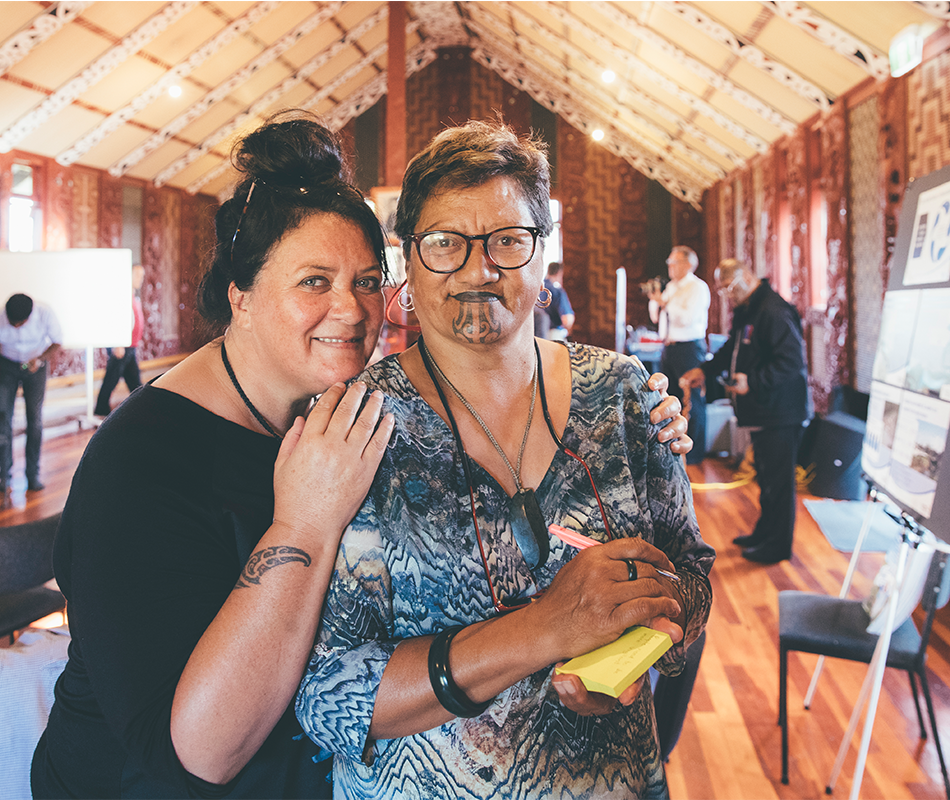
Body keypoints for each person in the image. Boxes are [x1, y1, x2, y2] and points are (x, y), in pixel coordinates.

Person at [31, 112, 691, 799]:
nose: (350, 310)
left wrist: (650, 413)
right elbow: (197, 757)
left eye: (367, 280)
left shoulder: (348, 414)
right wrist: (305, 524)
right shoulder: (140, 462)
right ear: (241, 295)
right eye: (314, 281)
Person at [296, 120, 714, 799]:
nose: (477, 268)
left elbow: (690, 574)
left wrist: (640, 643)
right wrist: (544, 631)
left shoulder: (623, 395)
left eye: (508, 241)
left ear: (544, 257)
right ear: (409, 261)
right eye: (444, 243)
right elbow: (328, 698)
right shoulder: (356, 425)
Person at [681, 258, 811, 564]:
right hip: (763, 412)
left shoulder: (773, 311)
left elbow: (792, 363)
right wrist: (705, 370)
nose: (727, 296)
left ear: (742, 280)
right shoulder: (748, 311)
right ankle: (764, 533)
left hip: (781, 412)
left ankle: (777, 547)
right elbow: (731, 350)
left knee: (778, 483)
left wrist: (753, 381)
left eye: (727, 289)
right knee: (765, 479)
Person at [648, 246, 710, 465]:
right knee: (669, 397)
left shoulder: (697, 287)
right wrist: (655, 299)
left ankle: (695, 453)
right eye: (669, 262)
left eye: (674, 262)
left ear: (688, 264)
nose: (670, 267)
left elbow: (687, 318)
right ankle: (673, 447)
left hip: (689, 347)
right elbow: (657, 317)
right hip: (670, 346)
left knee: (692, 400)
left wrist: (666, 303)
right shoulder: (672, 287)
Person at [0, 293, 62, 505]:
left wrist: (40, 359)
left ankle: (32, 475)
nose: (15, 326)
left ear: (29, 317)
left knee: (34, 420)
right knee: (2, 421)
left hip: (35, 366)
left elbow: (57, 342)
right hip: (6, 366)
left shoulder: (44, 313)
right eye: (11, 323)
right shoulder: (1, 315)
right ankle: (4, 477)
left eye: (19, 324)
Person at [94, 263, 146, 417]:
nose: (140, 279)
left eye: (141, 276)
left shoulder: (132, 295)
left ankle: (143, 408)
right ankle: (100, 411)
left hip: (130, 346)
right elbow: (113, 320)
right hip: (122, 346)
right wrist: (118, 343)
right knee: (112, 379)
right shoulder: (120, 295)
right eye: (137, 275)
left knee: (134, 382)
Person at [543, 260, 574, 340]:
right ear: (559, 273)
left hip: (534, 335)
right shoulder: (557, 291)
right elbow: (567, 319)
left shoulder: (537, 289)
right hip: (553, 335)